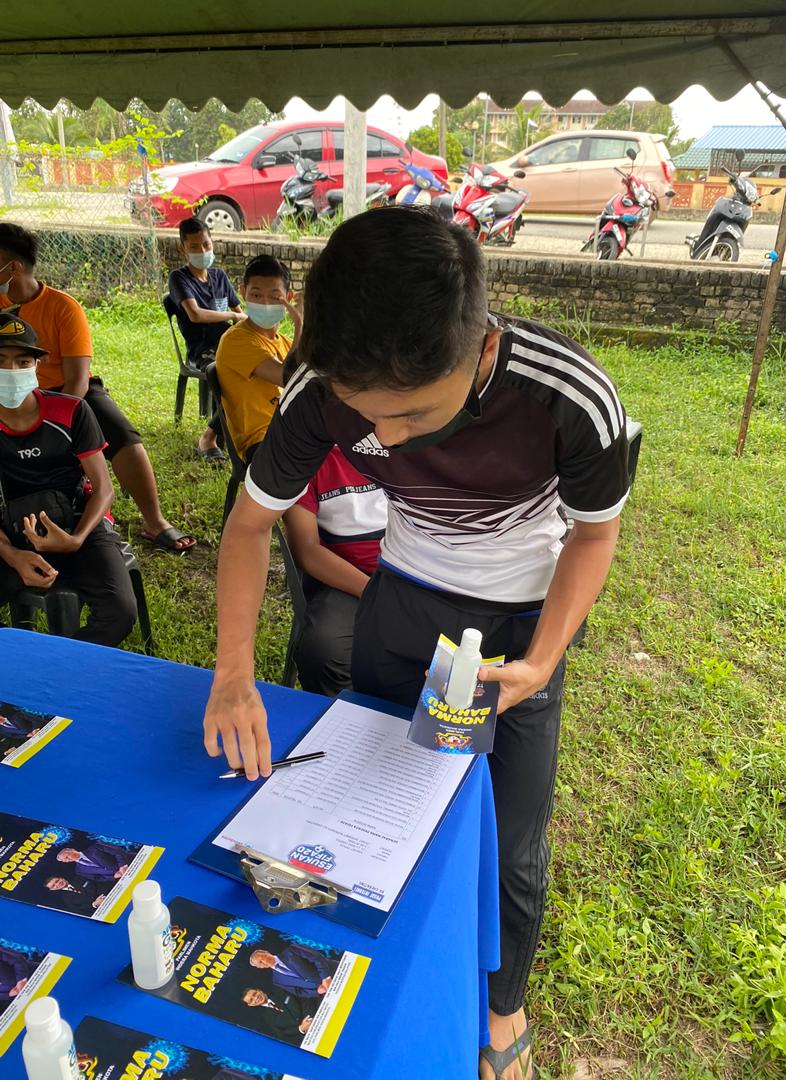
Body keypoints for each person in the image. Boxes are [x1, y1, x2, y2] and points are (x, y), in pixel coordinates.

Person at [202, 207, 630, 1080]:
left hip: (517, 620)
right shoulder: (318, 387)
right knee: (371, 794)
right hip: (401, 601)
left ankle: (502, 1004)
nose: (387, 439)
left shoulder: (570, 397)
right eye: (369, 417)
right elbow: (248, 526)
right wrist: (233, 674)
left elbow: (593, 535)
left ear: (481, 346)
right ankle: (384, 958)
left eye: (415, 414)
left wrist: (543, 661)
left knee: (506, 832)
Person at [0, 223, 195, 553]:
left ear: (13, 267)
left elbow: (78, 378)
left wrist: (56, 419)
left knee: (121, 433)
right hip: (7, 393)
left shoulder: (63, 307)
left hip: (67, 393)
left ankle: (155, 521)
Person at [0, 315, 137, 648]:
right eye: (0, 361)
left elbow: (103, 489)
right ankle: (19, 667)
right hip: (10, 530)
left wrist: (75, 539)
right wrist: (13, 555)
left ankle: (57, 668)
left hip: (79, 522)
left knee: (119, 613)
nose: (11, 371)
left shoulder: (71, 411)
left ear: (38, 365)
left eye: (22, 361)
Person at [283, 442, 387, 695]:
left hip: (418, 570)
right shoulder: (304, 457)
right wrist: (374, 593)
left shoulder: (410, 443)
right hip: (347, 579)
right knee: (324, 650)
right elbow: (307, 550)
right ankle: (350, 716)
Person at [167, 218, 246, 463]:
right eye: (194, 247)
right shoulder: (179, 278)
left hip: (229, 344)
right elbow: (195, 314)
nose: (202, 251)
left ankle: (242, 431)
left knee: (259, 370)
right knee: (229, 376)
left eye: (206, 244)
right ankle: (210, 437)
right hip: (203, 350)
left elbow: (240, 313)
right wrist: (233, 316)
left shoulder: (219, 276)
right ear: (182, 248)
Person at [214, 255, 300, 464]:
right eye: (256, 295)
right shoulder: (236, 340)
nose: (265, 303)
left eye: (275, 296)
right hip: (263, 442)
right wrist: (301, 325)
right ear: (243, 292)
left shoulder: (286, 343)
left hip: (295, 433)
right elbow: (289, 377)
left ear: (288, 297)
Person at [248, 945, 335, 998]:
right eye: (260, 962)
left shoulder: (291, 950)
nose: (264, 960)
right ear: (260, 967)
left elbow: (317, 958)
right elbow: (298, 992)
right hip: (326, 991)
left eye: (263, 956)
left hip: (334, 972)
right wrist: (316, 992)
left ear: (267, 952)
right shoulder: (277, 980)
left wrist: (326, 977)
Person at [240, 987, 314, 1042]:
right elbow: (283, 1034)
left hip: (315, 1015)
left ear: (259, 990)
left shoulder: (279, 990)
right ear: (251, 1005)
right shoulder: (266, 1019)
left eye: (254, 994)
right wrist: (300, 1028)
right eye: (251, 1000)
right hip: (308, 1036)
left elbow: (303, 998)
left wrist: (309, 1018)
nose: (256, 998)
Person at [55, 842, 131, 881]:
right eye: (65, 860)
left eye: (67, 856)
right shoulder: (79, 871)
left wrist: (123, 865)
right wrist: (113, 877)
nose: (68, 859)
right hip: (122, 877)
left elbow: (117, 851)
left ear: (72, 850)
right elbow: (97, 878)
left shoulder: (95, 847)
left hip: (131, 863)